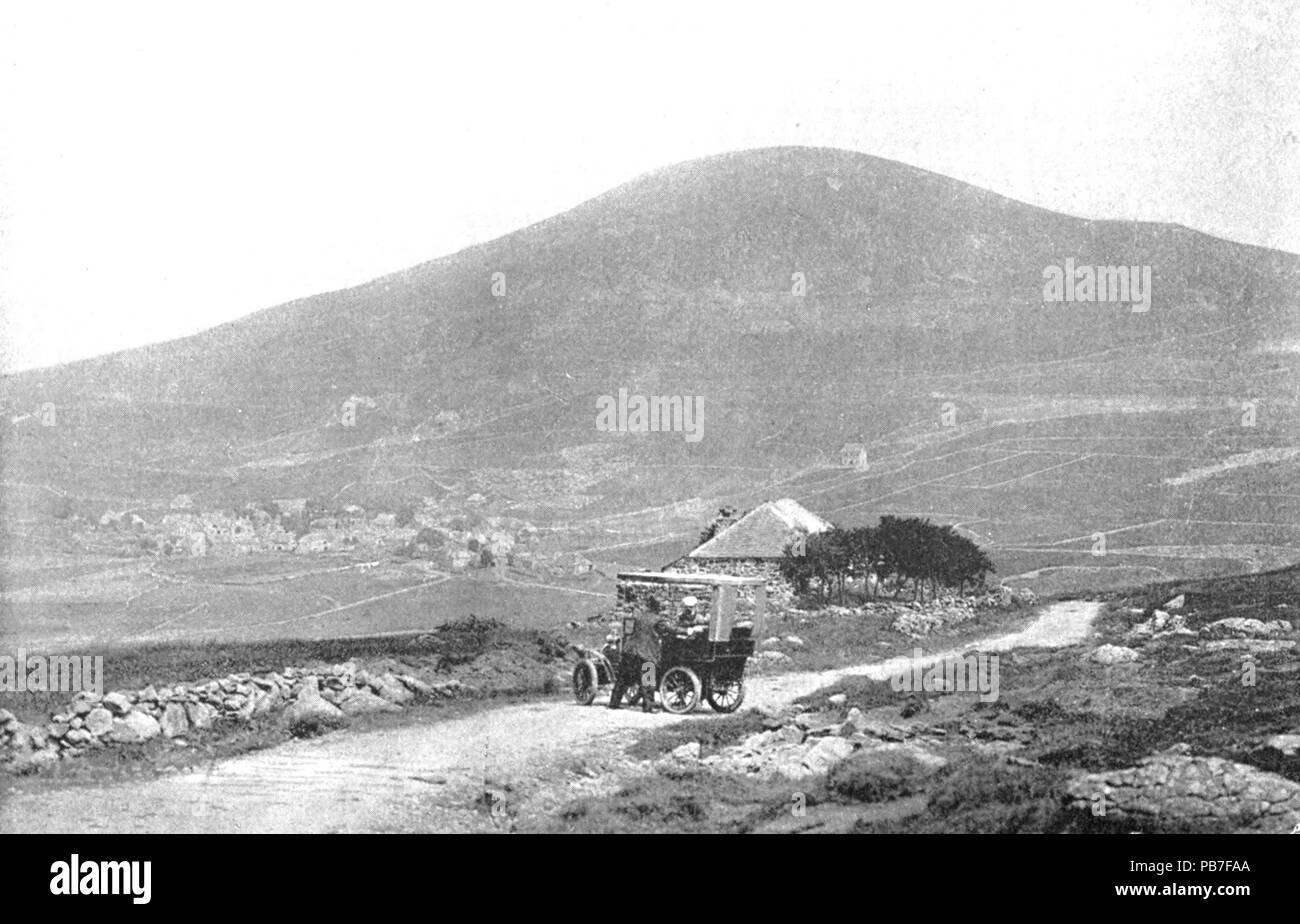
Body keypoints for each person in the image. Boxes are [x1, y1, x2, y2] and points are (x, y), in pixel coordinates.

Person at [609, 611, 673, 712]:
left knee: (622, 678)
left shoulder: (638, 616)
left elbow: (629, 629)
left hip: (630, 650)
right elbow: (671, 630)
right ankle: (648, 706)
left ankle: (614, 703)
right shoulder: (658, 620)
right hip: (647, 653)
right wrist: (688, 630)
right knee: (648, 680)